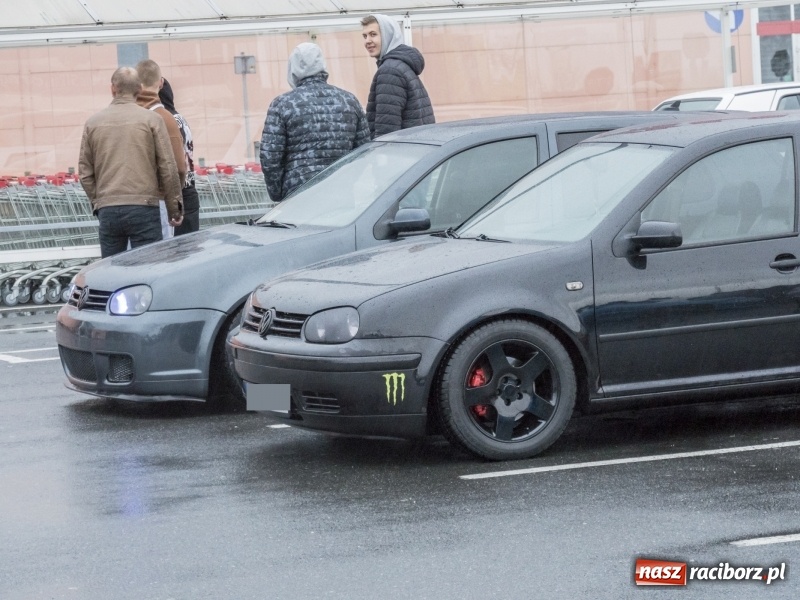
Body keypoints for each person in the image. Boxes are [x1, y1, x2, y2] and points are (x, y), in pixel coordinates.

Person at [78, 67, 183, 258]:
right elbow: (168, 167)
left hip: (108, 209)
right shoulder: (152, 120)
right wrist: (174, 207)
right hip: (144, 207)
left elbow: (85, 173)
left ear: (112, 89)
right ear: (139, 90)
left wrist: (99, 201)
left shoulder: (93, 123)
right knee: (148, 266)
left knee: (112, 270)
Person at [260, 42, 370, 202]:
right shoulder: (349, 101)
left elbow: (270, 157)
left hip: (299, 196)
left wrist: (279, 193)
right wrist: (349, 180)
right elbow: (363, 151)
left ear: (293, 68)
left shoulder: (282, 104)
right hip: (341, 194)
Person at [135, 59, 188, 238]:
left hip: (127, 202)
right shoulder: (165, 118)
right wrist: (175, 203)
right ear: (161, 83)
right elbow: (179, 167)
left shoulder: (125, 117)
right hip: (157, 201)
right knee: (159, 258)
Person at [361, 13, 435, 138]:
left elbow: (387, 128)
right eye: (365, 36)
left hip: (402, 152)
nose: (367, 41)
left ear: (388, 35)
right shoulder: (401, 65)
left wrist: (380, 155)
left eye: (373, 34)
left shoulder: (389, 70)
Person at [159, 78, 200, 235]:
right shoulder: (179, 118)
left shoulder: (169, 121)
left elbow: (176, 164)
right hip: (189, 192)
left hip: (180, 195)